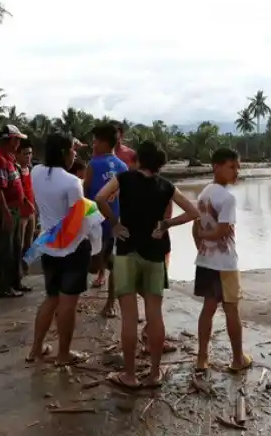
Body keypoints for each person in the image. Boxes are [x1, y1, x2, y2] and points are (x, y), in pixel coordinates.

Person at [95, 141, 199, 390]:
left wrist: (115, 224)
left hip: (127, 251)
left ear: (139, 159)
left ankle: (129, 376)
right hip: (155, 254)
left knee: (129, 318)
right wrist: (166, 225)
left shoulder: (124, 179)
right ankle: (153, 373)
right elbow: (193, 212)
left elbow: (100, 198)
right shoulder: (166, 186)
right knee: (155, 314)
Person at [26, 133, 93, 366]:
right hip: (71, 248)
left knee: (51, 298)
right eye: (72, 151)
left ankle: (36, 348)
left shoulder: (36, 173)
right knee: (67, 304)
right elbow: (78, 218)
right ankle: (63, 355)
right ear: (65, 153)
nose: (75, 154)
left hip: (48, 244)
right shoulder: (72, 182)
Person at [192, 148, 252, 375]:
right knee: (231, 310)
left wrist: (200, 245)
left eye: (238, 167)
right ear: (216, 166)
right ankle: (238, 359)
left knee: (208, 309)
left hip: (206, 261)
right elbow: (221, 231)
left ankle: (202, 358)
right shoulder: (227, 198)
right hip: (225, 263)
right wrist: (207, 238)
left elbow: (196, 227)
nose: (236, 172)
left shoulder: (204, 193)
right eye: (232, 166)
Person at [83, 123, 128, 318]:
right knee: (113, 264)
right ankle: (110, 304)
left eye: (95, 141)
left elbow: (84, 193)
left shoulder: (93, 165)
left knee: (96, 263)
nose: (93, 144)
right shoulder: (123, 166)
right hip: (115, 221)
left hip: (96, 222)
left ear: (103, 142)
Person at [0, 124, 30, 299]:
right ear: (12, 139)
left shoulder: (10, 159)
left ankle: (15, 282)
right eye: (17, 140)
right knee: (5, 249)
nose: (19, 143)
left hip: (15, 208)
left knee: (15, 248)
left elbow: (16, 184)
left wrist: (26, 201)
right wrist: (5, 212)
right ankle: (3, 287)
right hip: (7, 210)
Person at [17, 138, 37, 269]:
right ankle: (16, 273)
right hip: (20, 213)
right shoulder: (15, 170)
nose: (28, 156)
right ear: (17, 154)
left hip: (32, 212)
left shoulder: (31, 169)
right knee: (18, 244)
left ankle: (25, 271)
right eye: (25, 154)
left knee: (29, 244)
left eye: (30, 153)